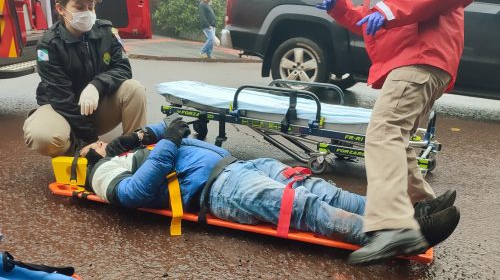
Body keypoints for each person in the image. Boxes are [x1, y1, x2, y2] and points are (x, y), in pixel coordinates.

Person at [79, 119, 460, 250]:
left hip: (240, 166)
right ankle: (398, 235)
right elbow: (134, 196)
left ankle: (412, 215)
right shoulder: (102, 175)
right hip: (217, 190)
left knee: (324, 190)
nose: (101, 141)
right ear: (88, 158)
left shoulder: (123, 153)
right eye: (94, 145)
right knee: (302, 206)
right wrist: (166, 144)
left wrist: (143, 134)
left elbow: (168, 131)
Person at [316, 0, 472, 264]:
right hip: (423, 57)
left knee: (384, 132)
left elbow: (389, 11)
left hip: (420, 56)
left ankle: (394, 225)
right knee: (397, 137)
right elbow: (371, 20)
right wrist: (339, 8)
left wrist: (388, 11)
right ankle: (422, 204)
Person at [23, 0, 147, 158]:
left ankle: (134, 152)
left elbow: (123, 69)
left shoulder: (107, 33)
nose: (87, 13)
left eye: (91, 6)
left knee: (134, 89)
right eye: (80, 7)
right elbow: (61, 99)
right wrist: (91, 141)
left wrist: (96, 86)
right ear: (61, 9)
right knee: (43, 137)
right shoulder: (49, 45)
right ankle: (78, 152)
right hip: (61, 110)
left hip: (95, 106)